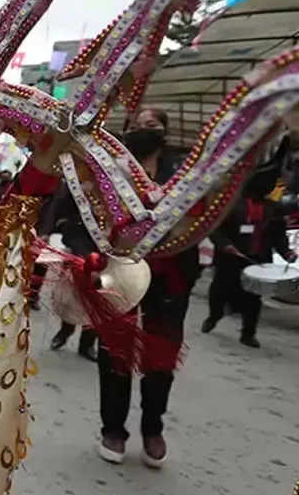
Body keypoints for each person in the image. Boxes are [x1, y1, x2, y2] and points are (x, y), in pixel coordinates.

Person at [96, 107, 202, 468]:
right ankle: (113, 429)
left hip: (171, 276)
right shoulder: (110, 173)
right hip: (120, 274)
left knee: (161, 357)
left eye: (152, 126)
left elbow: (203, 219)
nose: (144, 131)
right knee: (114, 353)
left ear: (165, 134)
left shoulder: (185, 176)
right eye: (138, 125)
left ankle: (152, 428)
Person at [203, 138, 295, 348]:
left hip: (257, 260)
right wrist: (225, 245)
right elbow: (215, 230)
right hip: (230, 258)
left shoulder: (272, 208)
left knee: (253, 299)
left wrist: (287, 252)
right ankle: (214, 316)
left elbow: (278, 236)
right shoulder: (232, 204)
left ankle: (248, 333)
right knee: (220, 291)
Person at [45, 185, 100, 360]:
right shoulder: (82, 178)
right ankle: (65, 330)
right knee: (71, 293)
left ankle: (88, 343)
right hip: (79, 239)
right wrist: (50, 230)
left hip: (110, 248)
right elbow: (59, 206)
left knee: (101, 299)